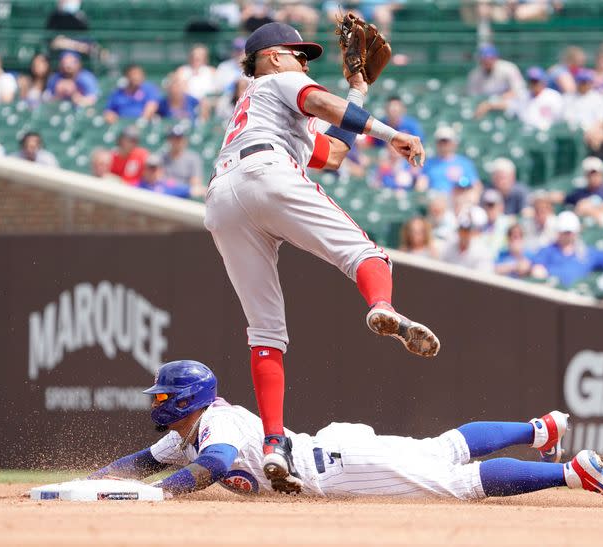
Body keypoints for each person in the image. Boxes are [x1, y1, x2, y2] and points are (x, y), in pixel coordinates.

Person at [203, 23, 438, 494]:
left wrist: (358, 89)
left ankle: (273, 444)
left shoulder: (260, 107)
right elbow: (325, 105)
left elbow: (331, 153)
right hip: (267, 172)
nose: (305, 62)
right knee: (368, 255)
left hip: (222, 198)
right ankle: (382, 307)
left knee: (266, 330)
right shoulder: (275, 81)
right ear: (270, 56)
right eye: (297, 54)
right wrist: (392, 133)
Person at [88, 360, 603, 505]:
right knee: (443, 450)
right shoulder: (187, 430)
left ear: (185, 400)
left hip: (336, 469)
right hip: (331, 449)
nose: (157, 401)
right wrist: (93, 482)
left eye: (163, 394)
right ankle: (539, 429)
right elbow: (142, 462)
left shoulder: (215, 424)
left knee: (457, 482)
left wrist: (157, 496)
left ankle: (569, 471)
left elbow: (212, 466)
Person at [530, 211, 603, 287]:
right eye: (565, 232)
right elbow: (537, 270)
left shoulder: (587, 252)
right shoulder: (547, 251)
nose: (568, 235)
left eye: (570, 232)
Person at [417, 126, 480, 194]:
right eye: (441, 142)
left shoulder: (465, 163)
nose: (443, 145)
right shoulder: (429, 164)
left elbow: (476, 186)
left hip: (459, 200)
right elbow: (421, 185)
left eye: (446, 141)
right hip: (436, 200)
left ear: (454, 143)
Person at [470, 45, 526, 118]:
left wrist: (493, 102)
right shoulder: (475, 74)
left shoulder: (509, 68)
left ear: (496, 58)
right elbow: (473, 96)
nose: (487, 61)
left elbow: (519, 91)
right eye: (484, 59)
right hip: (485, 106)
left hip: (509, 106)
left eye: (490, 58)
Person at [564, 157, 603, 226]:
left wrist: (589, 209)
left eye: (596, 174)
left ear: (602, 174)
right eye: (590, 175)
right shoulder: (580, 193)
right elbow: (567, 200)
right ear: (585, 176)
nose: (594, 178)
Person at [508, 67, 564, 132]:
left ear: (543, 82)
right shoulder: (522, 96)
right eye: (531, 81)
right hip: (525, 133)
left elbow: (559, 119)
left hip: (547, 133)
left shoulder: (553, 96)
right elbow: (512, 112)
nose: (534, 84)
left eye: (536, 81)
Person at [440, 207, 493, 273]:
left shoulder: (482, 252)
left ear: (473, 232)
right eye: (462, 229)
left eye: (467, 231)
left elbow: (482, 279)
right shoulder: (449, 246)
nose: (464, 234)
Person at [162, 126, 205, 197]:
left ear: (185, 140)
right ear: (169, 140)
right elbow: (157, 179)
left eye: (179, 138)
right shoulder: (163, 156)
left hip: (184, 196)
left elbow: (196, 184)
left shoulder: (193, 158)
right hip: (165, 193)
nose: (176, 141)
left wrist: (179, 188)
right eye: (173, 138)